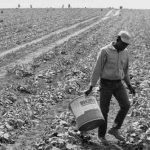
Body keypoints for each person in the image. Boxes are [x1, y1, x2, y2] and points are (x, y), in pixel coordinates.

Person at [85, 31, 135, 145]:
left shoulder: (125, 53)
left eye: (126, 45)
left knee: (126, 105)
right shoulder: (105, 51)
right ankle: (101, 136)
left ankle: (115, 129)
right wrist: (91, 86)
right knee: (104, 111)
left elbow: (125, 71)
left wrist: (129, 85)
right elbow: (97, 69)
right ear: (117, 40)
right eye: (123, 44)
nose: (124, 46)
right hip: (106, 84)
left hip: (118, 84)